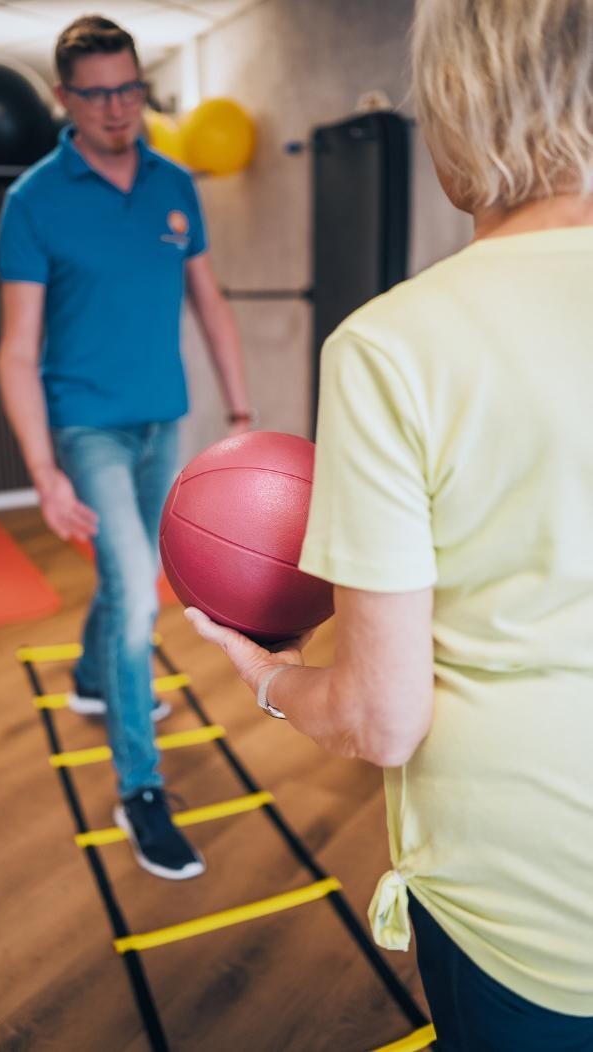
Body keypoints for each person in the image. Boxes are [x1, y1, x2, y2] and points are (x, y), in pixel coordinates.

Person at [186, 0, 593, 1045]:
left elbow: (380, 716)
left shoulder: (390, 346)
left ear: (457, 110)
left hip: (531, 900)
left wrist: (270, 676)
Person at [0, 15, 253, 881]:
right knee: (142, 594)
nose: (116, 108)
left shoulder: (177, 183)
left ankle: (93, 675)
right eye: (96, 92)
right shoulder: (32, 199)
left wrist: (242, 411)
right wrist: (41, 470)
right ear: (64, 98)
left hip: (162, 421)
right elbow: (17, 349)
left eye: (129, 88)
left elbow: (210, 304)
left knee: (125, 574)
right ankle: (140, 787)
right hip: (87, 429)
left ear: (143, 86)